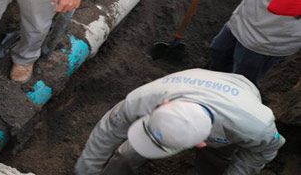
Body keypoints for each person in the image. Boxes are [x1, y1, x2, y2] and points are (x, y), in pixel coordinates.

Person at [74, 68, 285, 175]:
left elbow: (262, 153)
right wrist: (85, 172)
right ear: (162, 105)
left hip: (240, 95)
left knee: (215, 162)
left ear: (201, 142)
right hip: (195, 81)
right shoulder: (145, 98)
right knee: (127, 153)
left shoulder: (255, 127)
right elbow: (108, 131)